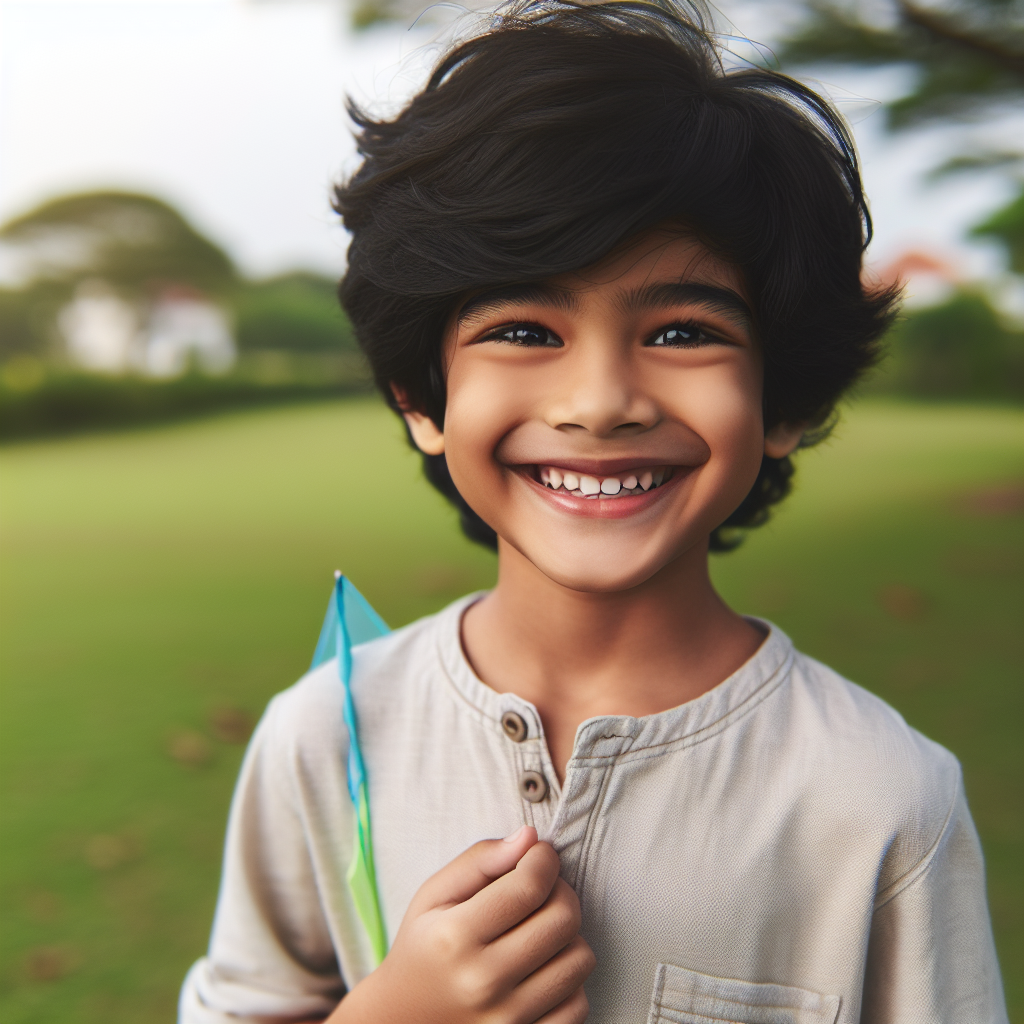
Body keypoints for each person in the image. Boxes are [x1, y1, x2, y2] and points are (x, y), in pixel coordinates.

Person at [179, 1, 1007, 1021]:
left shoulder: (881, 799)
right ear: (420, 399)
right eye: (524, 328)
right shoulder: (325, 738)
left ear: (784, 400)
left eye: (682, 330)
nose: (600, 401)